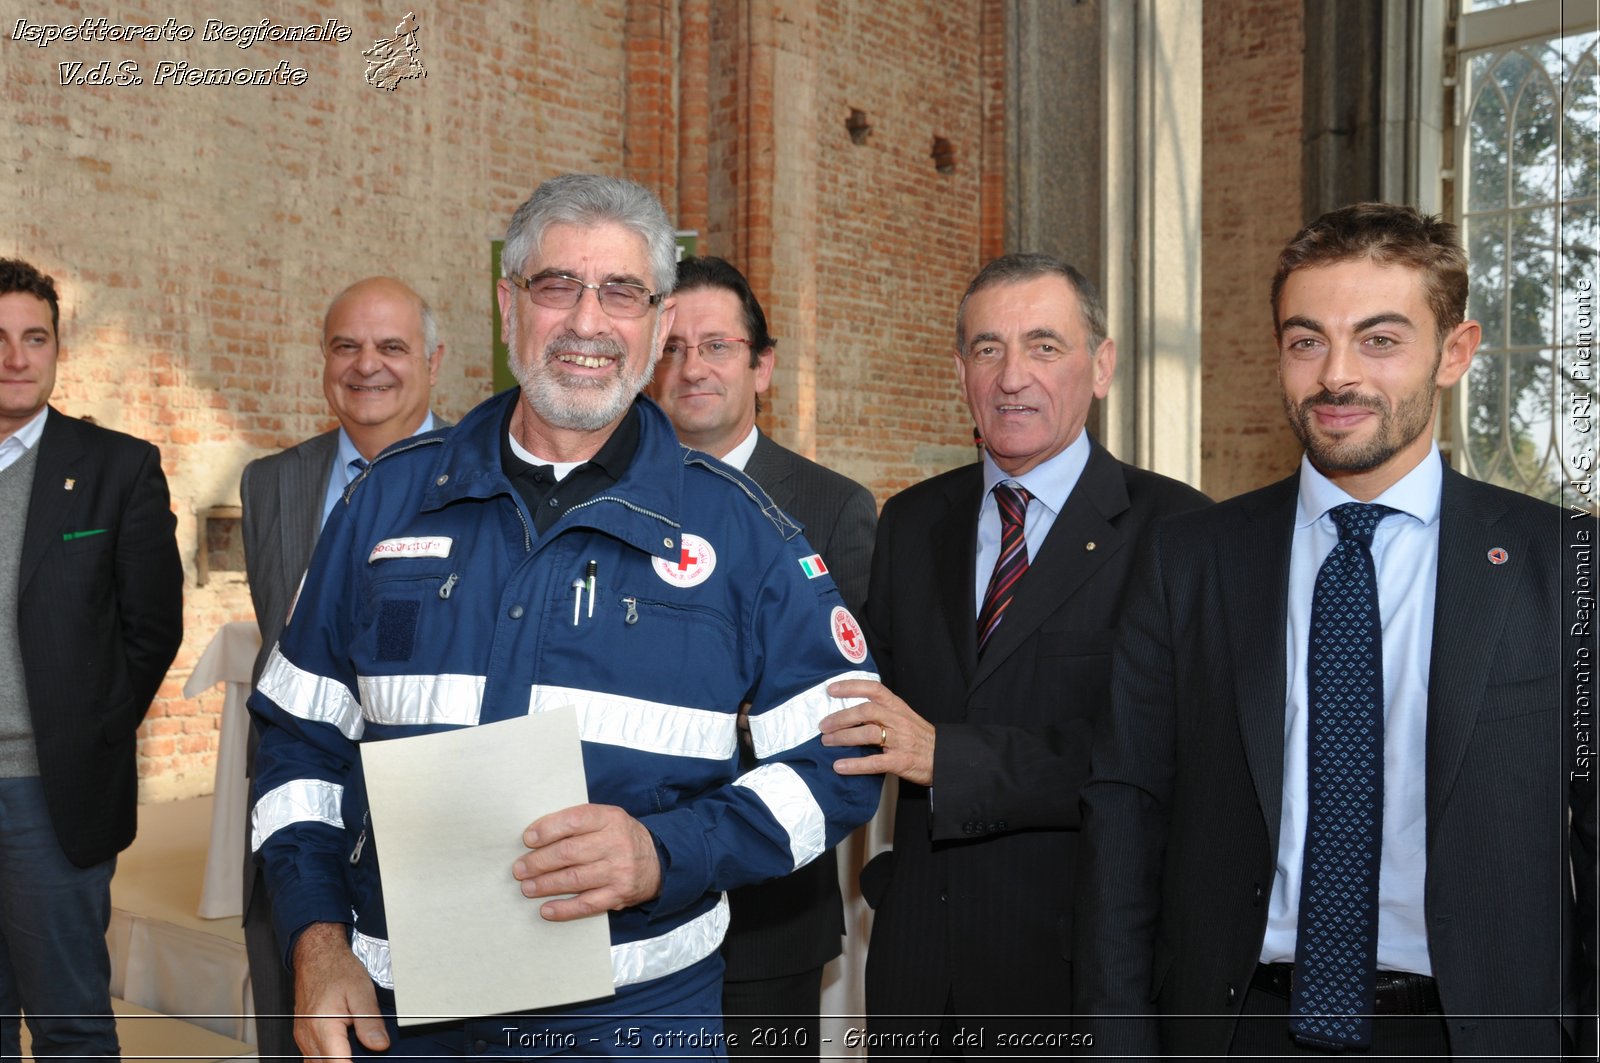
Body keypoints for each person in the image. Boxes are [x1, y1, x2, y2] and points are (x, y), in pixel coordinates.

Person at [248, 173, 881, 1060]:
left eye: (622, 291)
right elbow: (296, 742)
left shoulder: (744, 534)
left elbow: (845, 757)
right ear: (510, 308)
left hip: (635, 1022)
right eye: (558, 286)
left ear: (658, 325)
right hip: (401, 1019)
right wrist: (314, 937)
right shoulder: (385, 503)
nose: (588, 322)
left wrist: (666, 852)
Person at [1073, 202, 1598, 1058]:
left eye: (1380, 340)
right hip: (1240, 1026)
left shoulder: (1565, 562)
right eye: (1306, 339)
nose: (1335, 375)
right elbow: (1126, 814)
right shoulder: (1190, 560)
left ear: (1454, 352)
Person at [817, 253, 1208, 1054]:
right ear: (960, 370)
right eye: (988, 349)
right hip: (918, 978)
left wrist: (948, 757)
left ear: (1101, 366)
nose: (1012, 376)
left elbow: (1167, 752)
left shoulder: (1180, 533)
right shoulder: (913, 520)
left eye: (1044, 346)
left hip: (1073, 977)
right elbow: (866, 697)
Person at [651, 255, 877, 1057]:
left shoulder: (831, 507)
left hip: (767, 908)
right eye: (672, 347)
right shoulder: (610, 498)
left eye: (716, 345)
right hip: (623, 906)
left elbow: (834, 710)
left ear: (762, 365)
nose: (691, 367)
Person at [239, 276, 446, 1061]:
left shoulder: (481, 478)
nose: (368, 365)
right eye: (346, 346)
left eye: (392, 346)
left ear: (431, 360)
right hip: (300, 816)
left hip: (429, 816)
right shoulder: (272, 483)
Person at [0, 257, 184, 1058]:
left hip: (50, 794)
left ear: (55, 349)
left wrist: (94, 730)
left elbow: (153, 627)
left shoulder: (116, 468)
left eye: (34, 337)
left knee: (70, 1019)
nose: (16, 356)